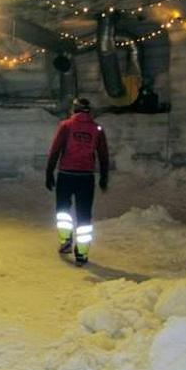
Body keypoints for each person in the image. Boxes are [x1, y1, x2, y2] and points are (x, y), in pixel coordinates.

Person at [45, 97, 109, 266]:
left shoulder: (66, 126)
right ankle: (82, 254)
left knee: (63, 211)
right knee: (84, 216)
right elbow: (103, 155)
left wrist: (49, 172)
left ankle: (65, 242)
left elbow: (55, 150)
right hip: (86, 178)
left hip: (66, 175)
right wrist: (104, 176)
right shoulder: (97, 129)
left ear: (74, 109)